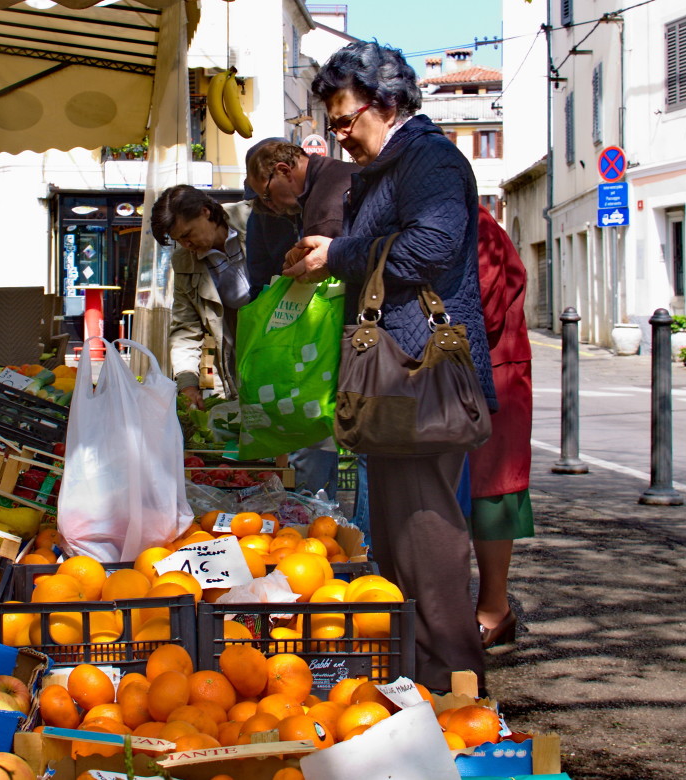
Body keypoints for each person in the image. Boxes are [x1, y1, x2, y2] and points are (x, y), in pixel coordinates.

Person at [284, 40, 497, 692]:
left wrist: (338, 255)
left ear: (385, 102)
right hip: (398, 377)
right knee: (401, 537)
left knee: (427, 537)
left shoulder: (428, 160)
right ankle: (424, 681)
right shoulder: (390, 166)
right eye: (333, 123)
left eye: (346, 119)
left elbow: (429, 249)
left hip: (420, 373)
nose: (339, 135)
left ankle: (457, 687)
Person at [244, 138, 356, 506]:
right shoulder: (335, 179)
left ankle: (365, 546)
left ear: (282, 171)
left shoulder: (325, 202)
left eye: (267, 193)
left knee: (369, 453)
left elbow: (327, 271)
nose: (268, 204)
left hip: (354, 334)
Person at [458, 205, 534, 649]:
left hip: (493, 371)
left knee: (492, 493)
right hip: (465, 372)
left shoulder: (475, 223)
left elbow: (483, 303)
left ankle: (494, 609)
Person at [151, 185, 254, 408]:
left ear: (205, 211)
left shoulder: (254, 219)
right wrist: (187, 383)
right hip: (236, 365)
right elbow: (185, 328)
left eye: (187, 234)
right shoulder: (183, 261)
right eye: (178, 240)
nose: (186, 245)